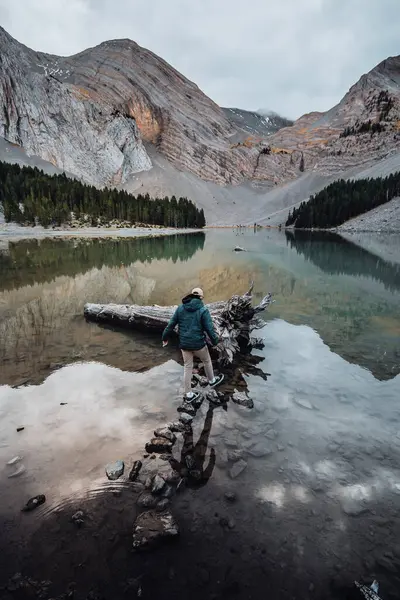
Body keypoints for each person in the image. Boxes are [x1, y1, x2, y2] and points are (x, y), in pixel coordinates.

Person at [162, 287, 224, 402]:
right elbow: (209, 329)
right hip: (199, 345)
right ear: (201, 297)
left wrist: (164, 337)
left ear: (191, 295)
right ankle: (212, 380)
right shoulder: (203, 310)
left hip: (184, 345)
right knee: (206, 361)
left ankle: (188, 395)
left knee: (187, 367)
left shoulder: (180, 308)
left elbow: (170, 324)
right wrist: (215, 342)